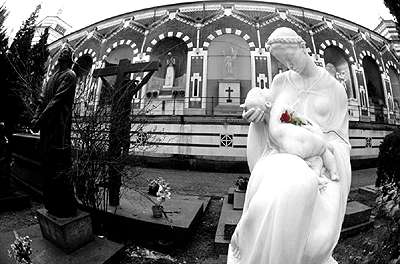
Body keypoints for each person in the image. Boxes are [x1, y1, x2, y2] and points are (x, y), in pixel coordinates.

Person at [227, 27, 351, 264]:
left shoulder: (335, 89)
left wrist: (322, 148)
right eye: (280, 60)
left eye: (289, 57)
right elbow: (272, 116)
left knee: (309, 216)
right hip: (280, 155)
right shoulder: (280, 81)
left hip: (322, 160)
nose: (286, 64)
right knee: (293, 183)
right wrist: (259, 116)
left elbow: (341, 142)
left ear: (303, 47)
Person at [31, 44, 78, 218]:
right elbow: (43, 100)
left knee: (59, 163)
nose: (62, 55)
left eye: (66, 53)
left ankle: (64, 207)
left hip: (59, 126)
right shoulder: (53, 77)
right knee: (48, 163)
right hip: (49, 126)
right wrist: (36, 118)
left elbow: (57, 100)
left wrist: (39, 119)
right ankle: (52, 204)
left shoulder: (69, 75)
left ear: (69, 59)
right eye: (62, 53)